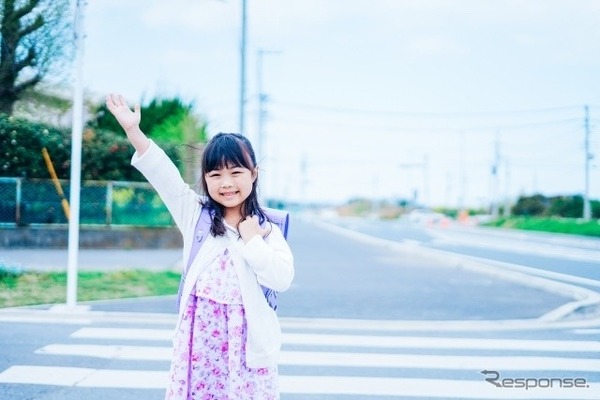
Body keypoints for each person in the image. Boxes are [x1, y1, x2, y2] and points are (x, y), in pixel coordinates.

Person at [105, 93, 295, 399]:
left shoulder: (267, 229)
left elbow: (282, 279)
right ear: (205, 179)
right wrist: (133, 132)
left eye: (236, 172)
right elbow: (164, 175)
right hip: (199, 349)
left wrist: (253, 240)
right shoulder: (197, 216)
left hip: (247, 352)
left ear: (253, 174)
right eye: (215, 174)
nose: (226, 183)